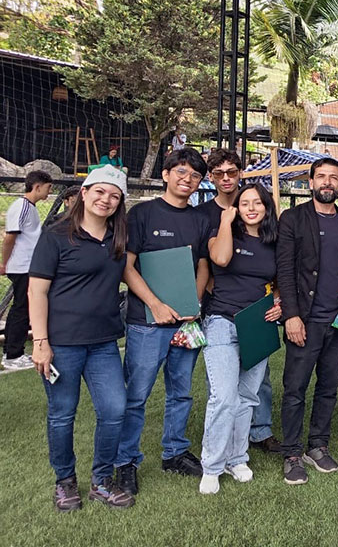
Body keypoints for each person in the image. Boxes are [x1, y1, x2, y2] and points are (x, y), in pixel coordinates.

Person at [29, 166, 134, 511]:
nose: (106, 200)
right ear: (84, 193)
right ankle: (65, 482)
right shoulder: (57, 235)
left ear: (120, 203)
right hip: (62, 343)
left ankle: (101, 481)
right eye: (100, 192)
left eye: (114, 196)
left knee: (115, 409)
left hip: (104, 342)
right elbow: (37, 291)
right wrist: (41, 343)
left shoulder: (118, 238)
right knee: (62, 413)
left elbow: (131, 273)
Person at [114, 148, 212, 495]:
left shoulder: (200, 219)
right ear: (167, 173)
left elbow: (203, 266)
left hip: (186, 323)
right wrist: (155, 305)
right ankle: (126, 460)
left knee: (181, 393)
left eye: (195, 176)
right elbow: (126, 266)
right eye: (182, 172)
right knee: (136, 395)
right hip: (146, 323)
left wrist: (194, 303)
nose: (187, 180)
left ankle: (175, 451)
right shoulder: (142, 214)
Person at [277, 157, 338, 485]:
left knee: (328, 386)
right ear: (310, 182)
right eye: (321, 177)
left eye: (333, 178)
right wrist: (292, 316)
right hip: (304, 320)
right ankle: (293, 452)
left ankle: (318, 445)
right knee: (295, 388)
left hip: (337, 322)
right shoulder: (293, 218)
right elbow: (285, 270)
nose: (327, 183)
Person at [196, 151, 281, 455]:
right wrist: (226, 219)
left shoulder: (274, 240)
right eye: (245, 203)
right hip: (222, 317)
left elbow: (281, 279)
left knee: (249, 393)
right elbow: (218, 259)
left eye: (257, 202)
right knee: (224, 395)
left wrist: (280, 301)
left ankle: (239, 454)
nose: (251, 208)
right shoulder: (221, 228)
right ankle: (213, 462)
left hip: (257, 321)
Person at [1, 170, 53, 370]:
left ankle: (16, 351)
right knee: (21, 309)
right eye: (48, 187)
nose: (49, 192)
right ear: (37, 186)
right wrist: (5, 264)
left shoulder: (30, 208)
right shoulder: (21, 206)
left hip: (29, 265)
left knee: (25, 309)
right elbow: (9, 238)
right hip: (21, 266)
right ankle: (12, 355)